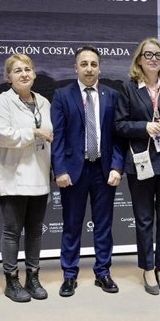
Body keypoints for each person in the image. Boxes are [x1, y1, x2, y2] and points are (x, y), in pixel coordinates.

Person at [51, 46, 125, 297]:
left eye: (93, 64)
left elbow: (118, 137)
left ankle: (103, 272)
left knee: (103, 225)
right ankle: (69, 275)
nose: (89, 68)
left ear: (100, 67)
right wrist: (59, 169)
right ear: (76, 68)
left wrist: (117, 166)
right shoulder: (62, 95)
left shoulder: (112, 95)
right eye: (84, 64)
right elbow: (58, 137)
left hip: (103, 170)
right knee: (72, 225)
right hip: (73, 171)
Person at [115, 37, 160, 295]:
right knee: (144, 219)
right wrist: (144, 127)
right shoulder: (128, 88)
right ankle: (147, 267)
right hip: (141, 162)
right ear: (139, 59)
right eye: (148, 55)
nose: (153, 59)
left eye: (158, 55)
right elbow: (119, 125)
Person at [0, 54, 52, 303]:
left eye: (28, 69)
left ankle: (33, 277)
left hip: (39, 174)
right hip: (13, 176)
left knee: (36, 231)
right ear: (9, 77)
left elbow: (50, 134)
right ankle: (11, 280)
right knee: (12, 231)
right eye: (17, 71)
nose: (24, 74)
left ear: (34, 74)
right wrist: (34, 132)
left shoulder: (44, 102)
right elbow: (2, 136)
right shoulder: (2, 102)